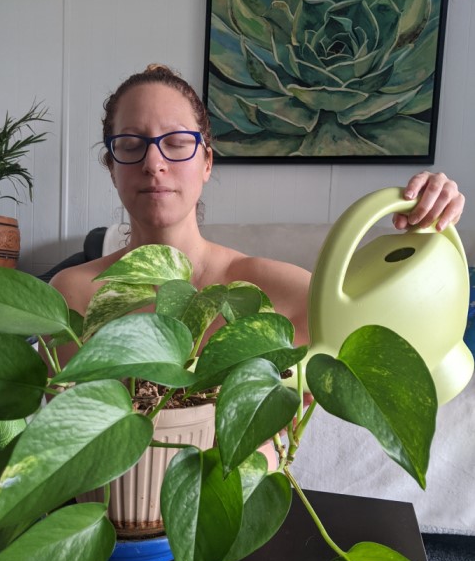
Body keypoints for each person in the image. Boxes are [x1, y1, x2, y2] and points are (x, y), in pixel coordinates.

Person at [49, 63, 465, 467]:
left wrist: (430, 218)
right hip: (114, 522)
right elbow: (72, 443)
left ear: (207, 162)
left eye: (177, 142)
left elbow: (394, 359)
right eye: (131, 144)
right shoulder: (73, 292)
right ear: (112, 167)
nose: (153, 162)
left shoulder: (278, 289)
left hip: (239, 520)